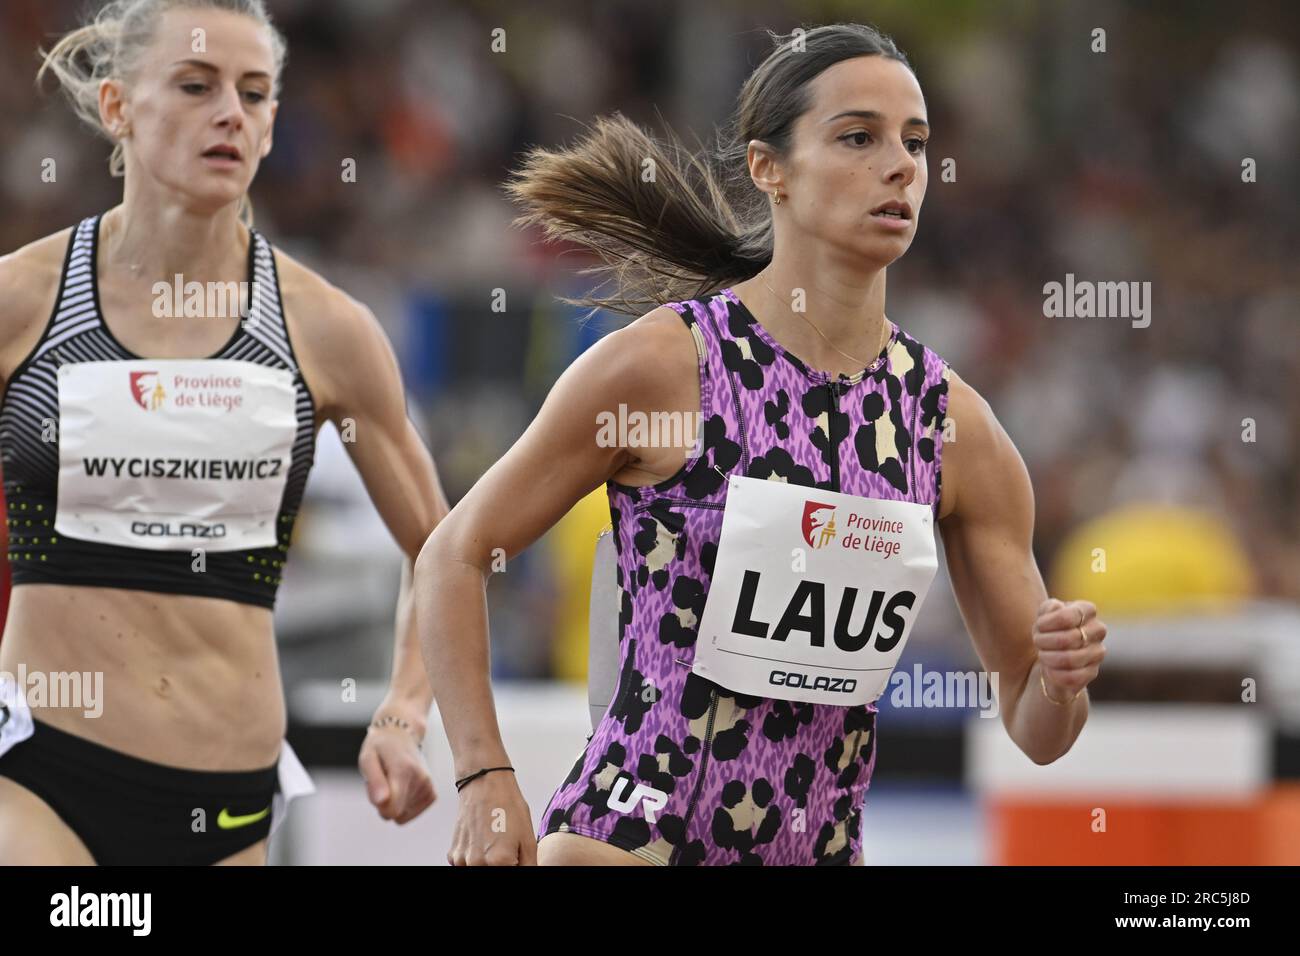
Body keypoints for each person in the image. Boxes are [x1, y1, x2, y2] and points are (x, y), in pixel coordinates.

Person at [415, 22, 1108, 866]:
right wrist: (483, 777)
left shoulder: (954, 428)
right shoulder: (664, 368)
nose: (901, 166)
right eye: (858, 137)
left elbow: (1036, 727)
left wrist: (1061, 680)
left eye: (916, 144)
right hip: (628, 844)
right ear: (767, 167)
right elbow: (454, 554)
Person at [0, 0, 448, 865]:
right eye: (197, 86)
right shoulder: (23, 302)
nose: (229, 115)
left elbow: (445, 548)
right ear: (118, 107)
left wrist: (403, 711)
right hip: (41, 769)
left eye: (253, 94)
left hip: (223, 799)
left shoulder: (328, 331)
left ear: (274, 123)